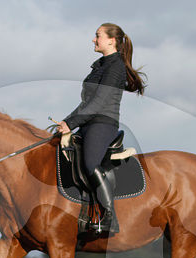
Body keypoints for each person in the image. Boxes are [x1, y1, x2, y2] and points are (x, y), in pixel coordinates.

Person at [57, 23, 146, 234]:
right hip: (87, 122)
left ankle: (109, 217)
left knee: (90, 163)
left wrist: (72, 123)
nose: (93, 39)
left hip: (103, 123)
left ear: (111, 40)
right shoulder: (99, 65)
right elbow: (85, 103)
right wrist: (65, 122)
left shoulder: (115, 67)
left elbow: (99, 103)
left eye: (97, 36)